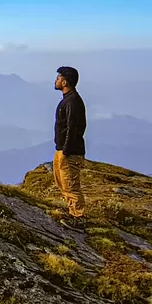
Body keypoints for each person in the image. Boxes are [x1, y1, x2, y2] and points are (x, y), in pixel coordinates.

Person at [53, 66, 87, 219]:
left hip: (70, 152)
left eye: (59, 78)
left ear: (65, 82)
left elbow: (73, 127)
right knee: (63, 184)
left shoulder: (72, 102)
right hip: (63, 150)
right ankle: (72, 212)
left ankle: (78, 218)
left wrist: (66, 150)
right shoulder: (69, 99)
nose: (56, 80)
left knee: (71, 187)